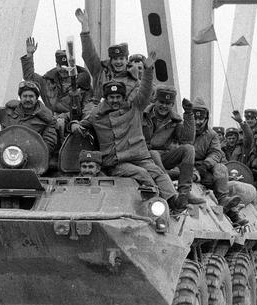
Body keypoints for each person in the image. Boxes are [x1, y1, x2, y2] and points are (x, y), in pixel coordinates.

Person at [71, 51, 187, 211]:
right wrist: (74, 124)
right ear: (106, 98)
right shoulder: (97, 115)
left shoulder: (134, 108)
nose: (115, 101)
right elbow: (82, 123)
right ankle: (157, 205)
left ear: (123, 97)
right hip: (116, 161)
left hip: (138, 155)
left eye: (118, 97)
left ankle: (173, 200)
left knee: (158, 172)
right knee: (143, 174)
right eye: (111, 97)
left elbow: (145, 93)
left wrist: (147, 71)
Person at [142, 85, 205, 205]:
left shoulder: (174, 120)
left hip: (162, 158)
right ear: (155, 100)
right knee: (153, 153)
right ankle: (170, 189)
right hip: (142, 156)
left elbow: (187, 140)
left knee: (189, 149)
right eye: (161, 102)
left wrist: (189, 114)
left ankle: (184, 193)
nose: (164, 106)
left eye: (168, 103)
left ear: (172, 105)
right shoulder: (142, 114)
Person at [191, 97, 246, 225]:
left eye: (201, 119)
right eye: (195, 118)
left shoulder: (211, 135)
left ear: (206, 118)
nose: (198, 122)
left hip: (204, 167)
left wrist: (206, 164)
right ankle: (196, 217)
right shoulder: (182, 130)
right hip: (185, 165)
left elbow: (216, 152)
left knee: (221, 169)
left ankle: (224, 202)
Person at [0, 75, 58, 152]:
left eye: (31, 96)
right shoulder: (8, 112)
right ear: (20, 97)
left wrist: (31, 151)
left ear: (36, 98)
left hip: (31, 158)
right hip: (5, 154)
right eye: (25, 96)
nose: (27, 99)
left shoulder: (47, 119)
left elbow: (48, 144)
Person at [76, 8, 139, 102]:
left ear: (127, 60)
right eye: (115, 59)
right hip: (98, 112)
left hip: (122, 114)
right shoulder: (100, 72)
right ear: (111, 60)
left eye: (121, 58)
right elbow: (89, 54)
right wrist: (85, 29)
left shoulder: (135, 80)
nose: (118, 62)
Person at [20, 37, 93, 116]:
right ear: (56, 65)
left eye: (66, 67)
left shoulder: (83, 85)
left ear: (72, 67)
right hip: (50, 122)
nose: (63, 69)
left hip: (74, 123)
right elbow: (29, 76)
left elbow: (88, 109)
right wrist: (29, 55)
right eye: (60, 66)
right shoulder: (46, 81)